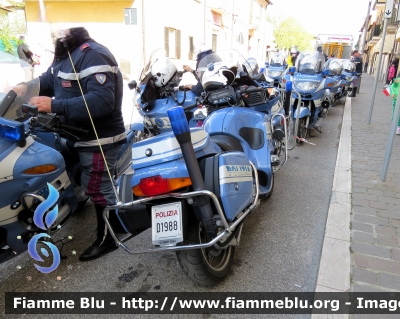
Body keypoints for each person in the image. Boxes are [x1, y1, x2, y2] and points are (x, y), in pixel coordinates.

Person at [28, 27, 127, 261]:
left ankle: (109, 238)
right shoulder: (65, 59)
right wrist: (19, 91)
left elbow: (102, 101)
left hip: (99, 137)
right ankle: (75, 202)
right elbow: (45, 82)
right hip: (74, 132)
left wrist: (54, 106)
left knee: (97, 187)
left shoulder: (93, 54)